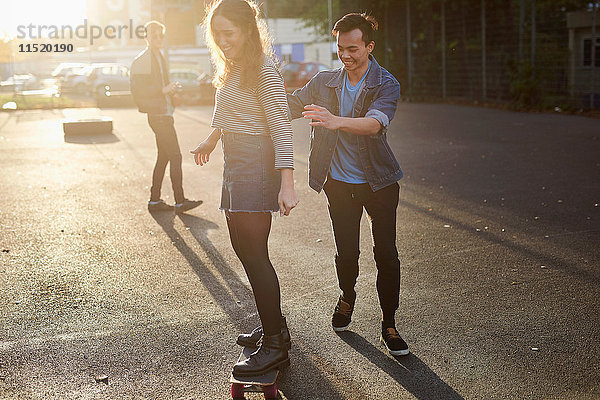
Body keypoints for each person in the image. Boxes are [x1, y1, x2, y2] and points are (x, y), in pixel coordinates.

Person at [287, 13, 409, 356]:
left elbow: (375, 124)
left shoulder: (386, 83)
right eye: (340, 48)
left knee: (386, 253)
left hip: (379, 182)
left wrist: (334, 121)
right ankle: (347, 294)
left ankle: (389, 323)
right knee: (347, 253)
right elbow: (288, 105)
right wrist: (246, 103)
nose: (346, 55)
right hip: (338, 184)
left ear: (369, 47)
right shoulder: (323, 82)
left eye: (353, 48)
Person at [190, 0, 298, 376]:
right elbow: (227, 112)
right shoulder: (234, 66)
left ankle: (274, 346)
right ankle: (275, 327)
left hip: (255, 161)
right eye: (216, 34)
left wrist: (288, 183)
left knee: (254, 254)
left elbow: (282, 126)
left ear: (248, 31)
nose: (221, 41)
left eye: (228, 33)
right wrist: (210, 141)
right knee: (244, 249)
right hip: (235, 160)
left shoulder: (263, 71)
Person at [130, 20, 202, 214]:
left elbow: (164, 83)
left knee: (163, 157)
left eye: (161, 35)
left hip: (164, 112)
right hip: (158, 115)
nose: (159, 39)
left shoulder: (159, 56)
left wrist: (173, 94)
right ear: (146, 37)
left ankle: (155, 200)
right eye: (154, 35)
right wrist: (163, 90)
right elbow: (137, 89)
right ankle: (180, 201)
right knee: (176, 156)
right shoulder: (142, 59)